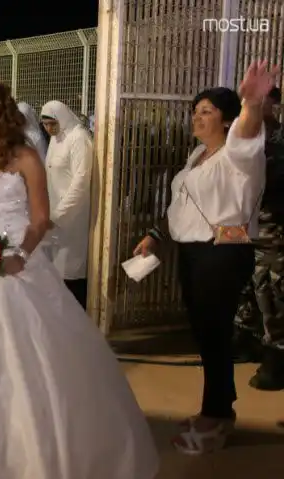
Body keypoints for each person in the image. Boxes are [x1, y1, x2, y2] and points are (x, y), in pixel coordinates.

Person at [0, 79, 158, 479]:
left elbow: (39, 219)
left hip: (18, 261)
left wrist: (19, 257)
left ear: (0, 114)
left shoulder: (26, 157)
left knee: (24, 352)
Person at [134, 60, 278, 454]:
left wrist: (251, 104)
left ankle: (216, 417)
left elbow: (246, 135)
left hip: (222, 254)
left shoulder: (239, 155)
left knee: (214, 336)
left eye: (207, 111)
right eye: (195, 111)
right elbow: (182, 203)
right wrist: (156, 235)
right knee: (204, 334)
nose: (197, 117)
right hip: (193, 251)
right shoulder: (198, 153)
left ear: (227, 120)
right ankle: (216, 408)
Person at [234, 86, 284, 390]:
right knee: (245, 283)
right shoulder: (243, 134)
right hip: (243, 225)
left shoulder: (277, 139)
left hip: (271, 227)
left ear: (274, 104)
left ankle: (277, 353)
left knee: (271, 290)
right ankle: (246, 335)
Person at [41, 100, 93, 308]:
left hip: (73, 216)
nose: (49, 128)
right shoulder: (57, 139)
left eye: (52, 123)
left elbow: (81, 182)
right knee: (56, 274)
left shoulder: (78, 138)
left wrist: (60, 214)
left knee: (71, 271)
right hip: (54, 215)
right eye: (45, 124)